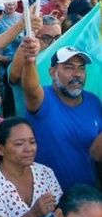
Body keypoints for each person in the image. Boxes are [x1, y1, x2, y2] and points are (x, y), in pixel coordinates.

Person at [21, 41, 102, 191]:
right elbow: (30, 89)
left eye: (81, 68)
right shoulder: (43, 99)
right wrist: (29, 61)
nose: (77, 74)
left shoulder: (94, 102)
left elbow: (96, 152)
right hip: (48, 199)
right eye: (69, 67)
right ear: (52, 73)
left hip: (86, 196)